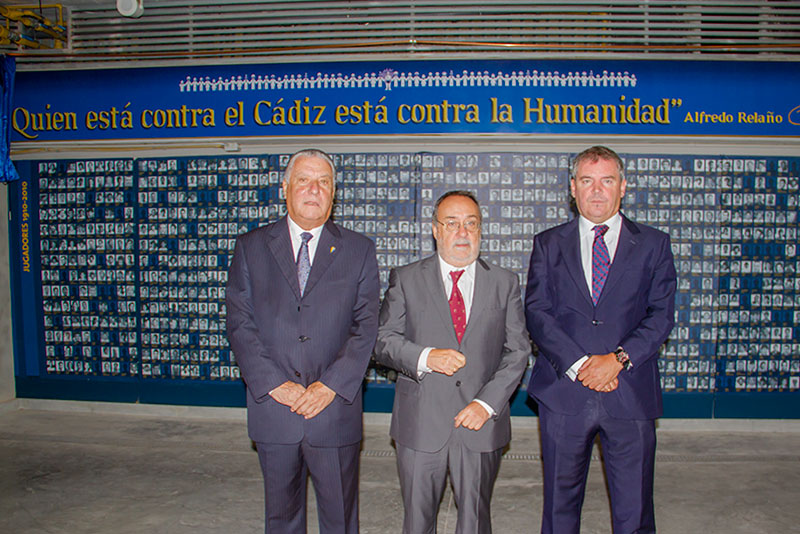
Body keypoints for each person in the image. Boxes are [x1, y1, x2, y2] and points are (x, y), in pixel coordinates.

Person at [226, 149, 380, 534]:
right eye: (304, 180)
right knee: (281, 519)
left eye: (324, 182)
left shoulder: (359, 250)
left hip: (333, 410)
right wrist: (276, 384)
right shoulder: (251, 247)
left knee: (340, 519)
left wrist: (329, 386)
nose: (314, 189)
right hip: (275, 410)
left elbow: (367, 325)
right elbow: (239, 323)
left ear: (334, 193)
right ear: (285, 188)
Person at [525, 146, 677, 534]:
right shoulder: (547, 244)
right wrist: (581, 365)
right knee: (559, 509)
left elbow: (660, 315)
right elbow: (538, 312)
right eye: (587, 181)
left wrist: (618, 359)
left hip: (630, 392)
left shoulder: (654, 244)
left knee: (635, 511)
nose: (597, 190)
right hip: (564, 394)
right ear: (572, 188)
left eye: (607, 181)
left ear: (623, 187)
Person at [375, 190, 530, 534]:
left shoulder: (504, 283)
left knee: (475, 522)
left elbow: (518, 350)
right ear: (435, 229)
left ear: (480, 230)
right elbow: (382, 340)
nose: (463, 232)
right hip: (420, 423)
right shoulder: (406, 278)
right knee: (417, 522)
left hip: (479, 424)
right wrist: (426, 357)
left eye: (471, 224)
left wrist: (486, 404)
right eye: (452, 223)